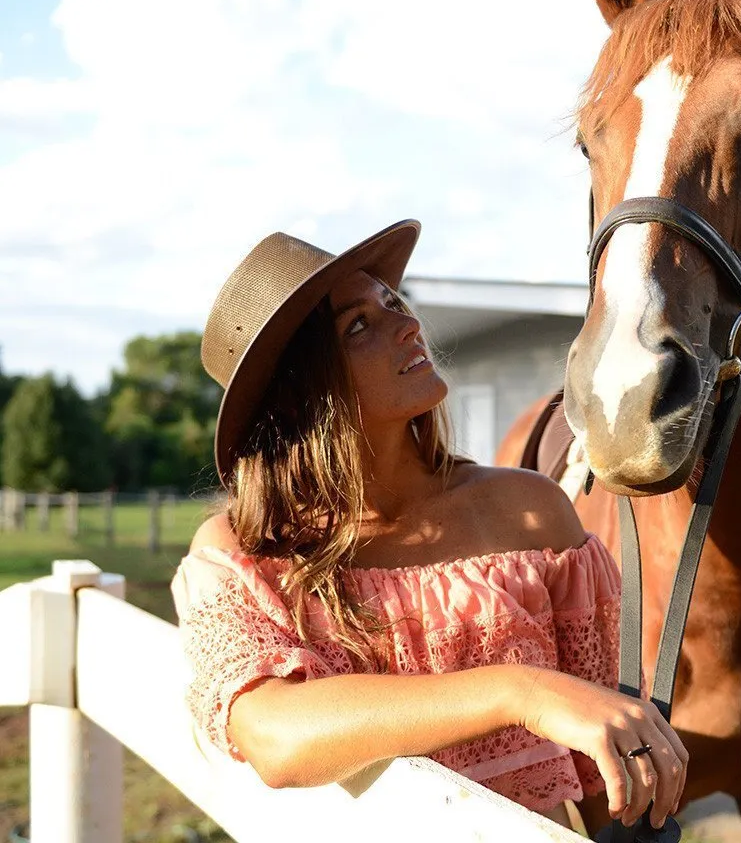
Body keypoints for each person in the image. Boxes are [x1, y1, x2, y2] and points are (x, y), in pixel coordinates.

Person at [171, 220, 688, 836]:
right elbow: (273, 736)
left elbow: (605, 764)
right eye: (358, 325)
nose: (408, 325)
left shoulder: (530, 513)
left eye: (394, 303)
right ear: (297, 393)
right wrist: (521, 692)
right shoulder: (243, 556)